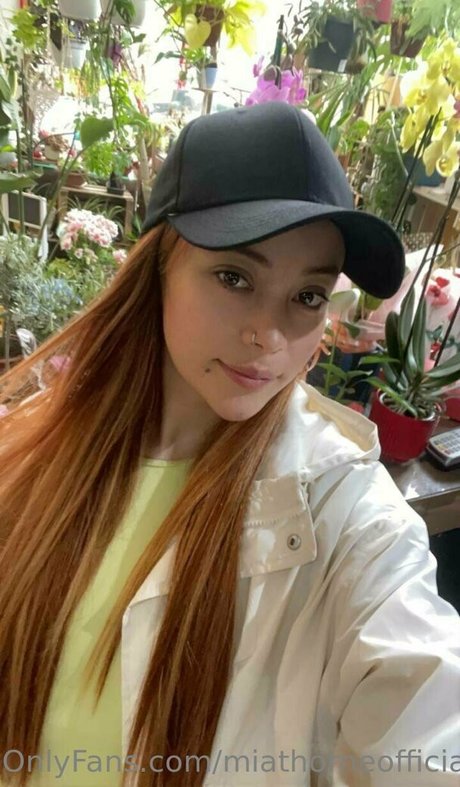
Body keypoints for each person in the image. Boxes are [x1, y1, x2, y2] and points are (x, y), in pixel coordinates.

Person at [0, 102, 458, 787]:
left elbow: (427, 721)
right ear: (157, 265)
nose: (269, 336)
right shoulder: (42, 442)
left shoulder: (344, 512)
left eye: (308, 296)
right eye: (236, 278)